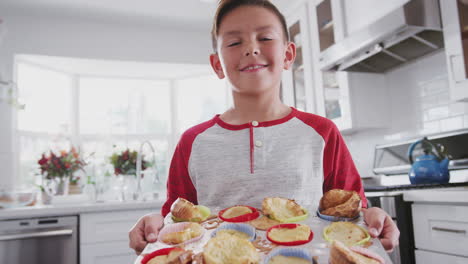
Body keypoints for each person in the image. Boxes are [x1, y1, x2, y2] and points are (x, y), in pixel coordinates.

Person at [129, 0, 399, 255]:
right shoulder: (192, 141)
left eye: (265, 38)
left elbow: (352, 210)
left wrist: (372, 216)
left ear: (288, 54)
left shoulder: (322, 132)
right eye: (234, 42)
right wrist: (155, 223)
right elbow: (175, 220)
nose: (251, 48)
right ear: (217, 65)